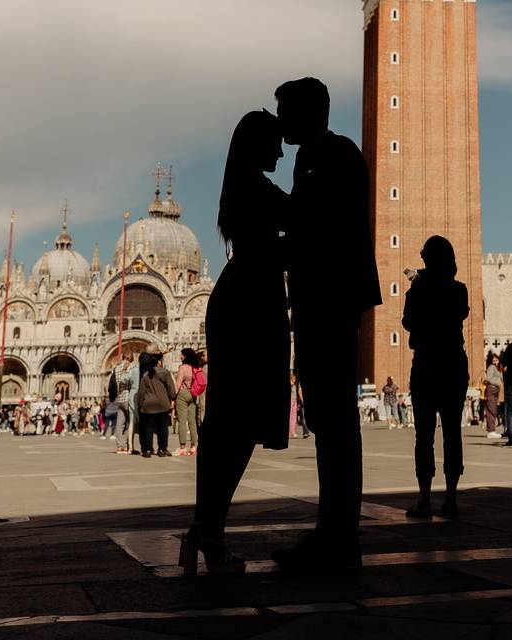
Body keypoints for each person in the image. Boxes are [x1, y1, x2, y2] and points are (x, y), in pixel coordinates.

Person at [270, 77, 381, 575]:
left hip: (331, 298)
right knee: (328, 417)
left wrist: (271, 205)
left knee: (335, 419)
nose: (279, 121)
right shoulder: (312, 154)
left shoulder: (334, 154)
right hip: (320, 298)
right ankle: (334, 529)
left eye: (284, 111)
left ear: (309, 111)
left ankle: (338, 534)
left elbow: (318, 224)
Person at [179, 109, 293, 577]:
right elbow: (296, 229)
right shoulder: (257, 188)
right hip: (253, 301)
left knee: (229, 422)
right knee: (239, 423)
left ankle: (206, 529)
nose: (282, 152)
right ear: (256, 145)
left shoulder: (239, 186)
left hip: (238, 296)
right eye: (275, 143)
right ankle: (207, 531)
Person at [401, 235, 469, 519]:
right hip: (453, 363)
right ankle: (451, 499)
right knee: (453, 433)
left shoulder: (417, 291)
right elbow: (462, 314)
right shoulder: (459, 290)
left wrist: (421, 281)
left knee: (424, 435)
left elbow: (408, 322)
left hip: (426, 364)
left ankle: (425, 499)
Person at [136, 351, 175, 458]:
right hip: (163, 404)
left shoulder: (145, 375)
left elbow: (141, 392)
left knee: (148, 428)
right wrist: (172, 397)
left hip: (148, 405)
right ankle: (162, 449)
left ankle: (147, 449)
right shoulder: (165, 372)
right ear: (158, 362)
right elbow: (171, 389)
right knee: (163, 428)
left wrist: (140, 404)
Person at [174, 348, 202, 456]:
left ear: (185, 356)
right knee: (192, 421)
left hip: (183, 393)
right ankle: (194, 446)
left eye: (182, 355)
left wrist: (173, 395)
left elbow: (178, 383)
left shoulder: (183, 368)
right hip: (193, 394)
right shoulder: (196, 367)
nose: (180, 357)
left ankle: (182, 447)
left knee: (182, 420)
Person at [113, 353, 138, 454]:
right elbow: (128, 381)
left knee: (119, 424)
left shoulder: (116, 368)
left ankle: (120, 446)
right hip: (129, 398)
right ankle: (129, 446)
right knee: (130, 423)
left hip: (120, 399)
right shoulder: (132, 368)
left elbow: (117, 381)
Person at [483, 353, 503, 439]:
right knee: (491, 410)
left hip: (494, 390)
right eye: (493, 360)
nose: (495, 362)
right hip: (491, 389)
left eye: (496, 360)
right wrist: (498, 383)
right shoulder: (491, 367)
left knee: (493, 410)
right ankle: (491, 431)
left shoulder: (497, 368)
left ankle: (491, 430)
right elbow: (488, 379)